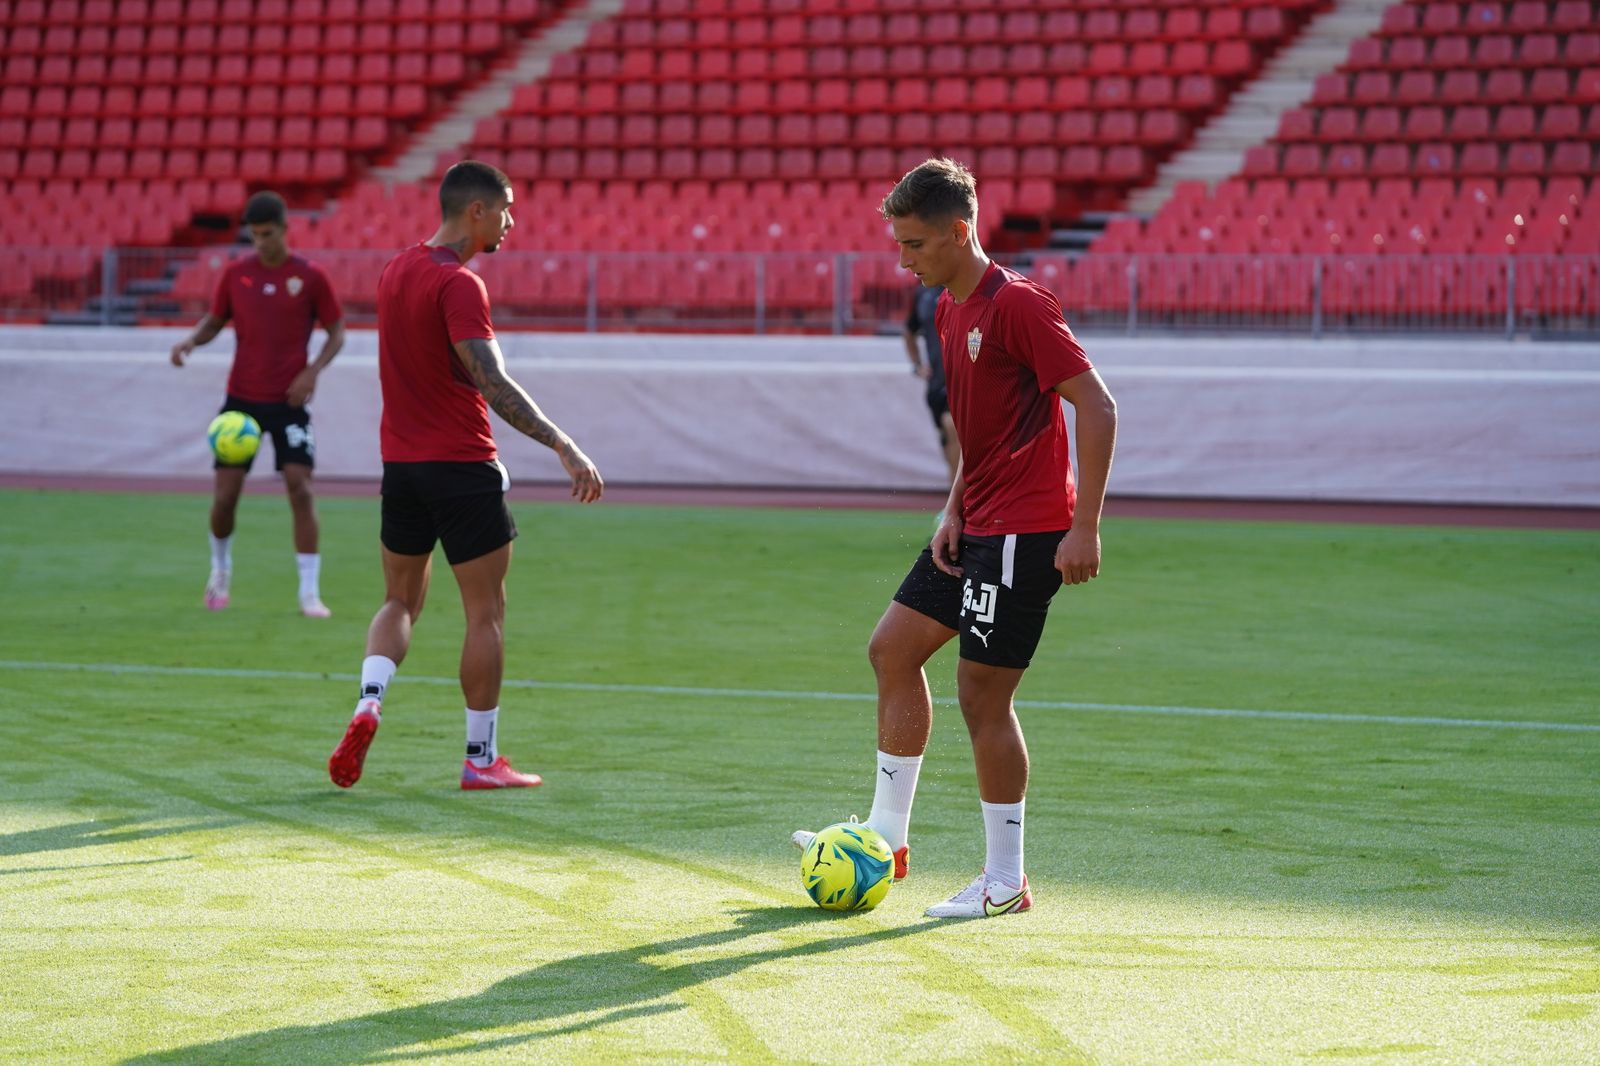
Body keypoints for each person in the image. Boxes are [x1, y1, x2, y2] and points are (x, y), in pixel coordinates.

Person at [793, 158, 1118, 918]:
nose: (902, 260)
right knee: (892, 649)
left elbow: (1097, 408)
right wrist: (952, 507)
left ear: (959, 232)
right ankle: (887, 839)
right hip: (976, 524)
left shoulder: (1021, 307)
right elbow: (980, 430)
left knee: (981, 698)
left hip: (1025, 532)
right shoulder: (947, 307)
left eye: (914, 244)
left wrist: (1085, 527)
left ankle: (1006, 881)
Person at [327, 160, 604, 792]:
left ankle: (369, 702)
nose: (512, 222)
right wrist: (562, 444)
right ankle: (481, 759)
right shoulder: (459, 285)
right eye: (505, 208)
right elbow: (491, 380)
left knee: (399, 599)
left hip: (400, 466)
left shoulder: (395, 269)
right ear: (475, 210)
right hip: (462, 465)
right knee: (485, 612)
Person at [170, 190, 346, 617]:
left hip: (288, 400)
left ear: (285, 229)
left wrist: (312, 372)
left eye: (267, 234)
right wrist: (192, 341)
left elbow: (337, 332)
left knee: (300, 488)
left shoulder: (310, 277)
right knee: (226, 496)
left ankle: (309, 593)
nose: (260, 242)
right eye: (254, 235)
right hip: (241, 402)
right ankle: (220, 571)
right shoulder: (235, 274)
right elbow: (216, 320)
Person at [903, 282, 960, 483]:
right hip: (936, 383)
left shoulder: (964, 288)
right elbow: (909, 331)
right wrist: (917, 365)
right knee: (946, 441)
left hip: (961, 382)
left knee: (952, 428)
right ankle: (955, 500)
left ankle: (957, 505)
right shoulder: (923, 294)